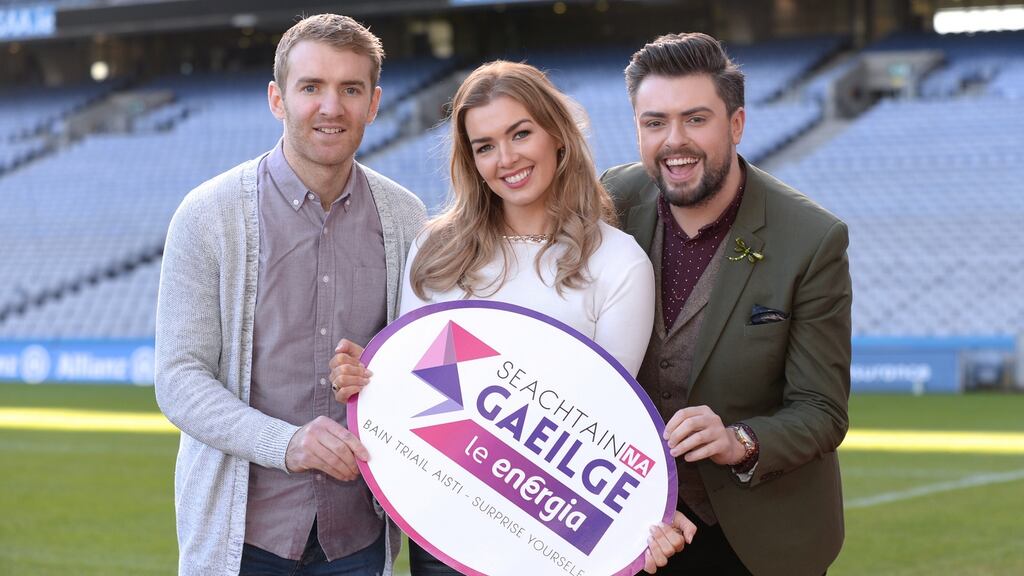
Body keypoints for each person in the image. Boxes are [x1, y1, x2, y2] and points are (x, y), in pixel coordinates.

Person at [330, 60, 695, 576]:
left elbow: (600, 428)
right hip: (443, 537)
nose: (506, 159)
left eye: (520, 133)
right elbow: (407, 396)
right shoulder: (436, 251)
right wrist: (364, 378)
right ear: (471, 161)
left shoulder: (619, 262)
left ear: (557, 136)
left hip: (550, 543)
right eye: (485, 146)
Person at [155, 14, 426, 576]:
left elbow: (416, 363)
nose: (332, 107)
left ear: (373, 104)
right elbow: (179, 378)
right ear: (278, 99)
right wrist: (286, 443)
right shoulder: (208, 216)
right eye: (311, 87)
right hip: (243, 538)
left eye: (350, 89)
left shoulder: (405, 218)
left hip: (357, 538)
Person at [599, 33, 852, 576]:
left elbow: (822, 410)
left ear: (736, 125)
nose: (674, 141)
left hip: (759, 540)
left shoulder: (812, 238)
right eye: (654, 122)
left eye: (695, 119)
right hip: (632, 525)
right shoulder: (610, 200)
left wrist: (738, 441)